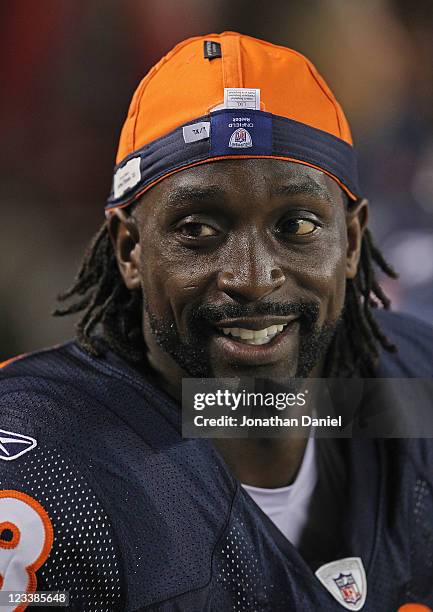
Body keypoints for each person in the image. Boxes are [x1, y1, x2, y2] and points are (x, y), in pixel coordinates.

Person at [0, 32, 432, 612]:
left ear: (351, 241)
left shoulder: (415, 390)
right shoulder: (49, 459)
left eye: (297, 225)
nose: (253, 278)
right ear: (129, 248)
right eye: (199, 229)